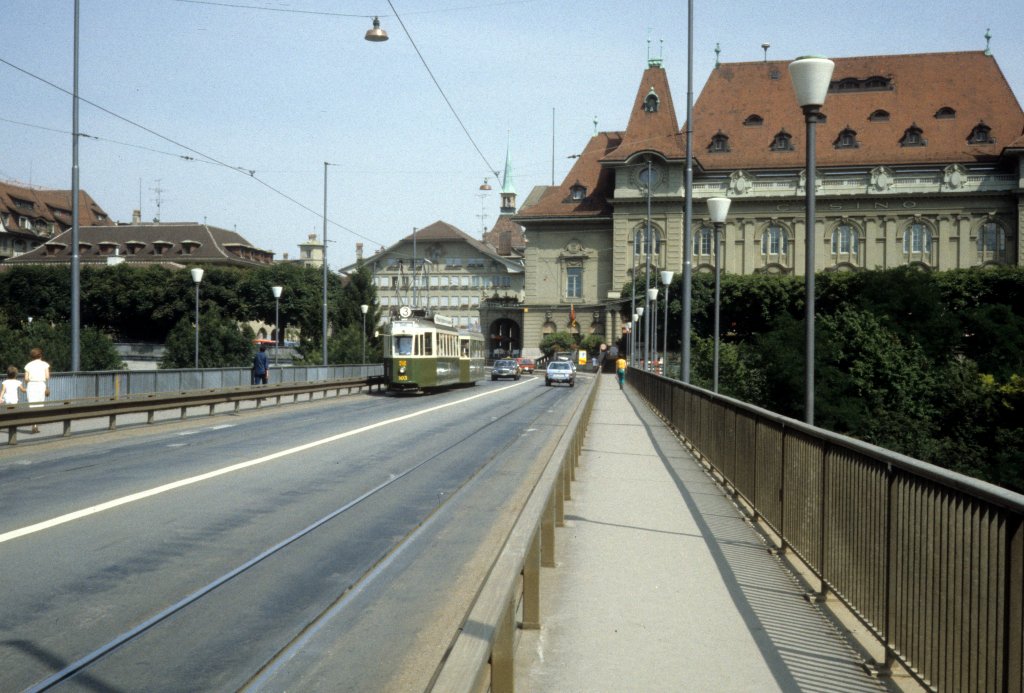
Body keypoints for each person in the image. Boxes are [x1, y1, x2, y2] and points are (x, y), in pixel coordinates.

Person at [24, 347, 50, 433]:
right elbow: (47, 377)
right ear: (40, 355)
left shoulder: (28, 365)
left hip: (31, 386)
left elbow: (26, 378)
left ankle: (33, 425)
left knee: (32, 405)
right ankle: (36, 425)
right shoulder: (45, 364)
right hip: (41, 385)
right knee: (39, 405)